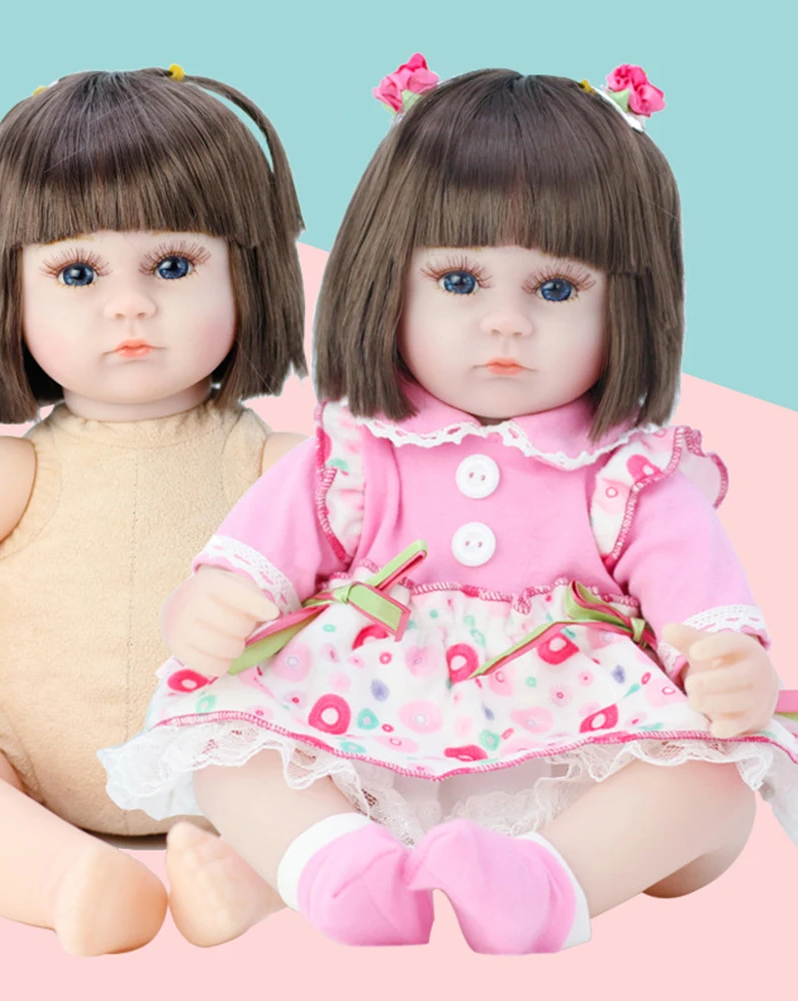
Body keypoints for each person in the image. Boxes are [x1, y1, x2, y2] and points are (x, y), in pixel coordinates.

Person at [99, 59, 798, 953]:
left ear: (629, 303)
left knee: (713, 782)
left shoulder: (626, 471)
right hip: (359, 714)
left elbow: (696, 594)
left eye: (554, 289)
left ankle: (546, 885)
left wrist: (725, 660)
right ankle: (332, 865)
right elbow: (255, 556)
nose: (505, 322)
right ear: (386, 279)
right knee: (230, 741)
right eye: (460, 282)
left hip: (573, 733)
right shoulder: (355, 451)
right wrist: (212, 604)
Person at [0, 65, 307, 956]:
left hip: (235, 761)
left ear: (248, 275)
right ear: (9, 291)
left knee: (355, 760)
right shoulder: (4, 472)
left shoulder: (281, 468)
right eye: (77, 271)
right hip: (19, 755)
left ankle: (248, 874)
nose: (129, 304)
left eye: (173, 265)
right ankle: (65, 877)